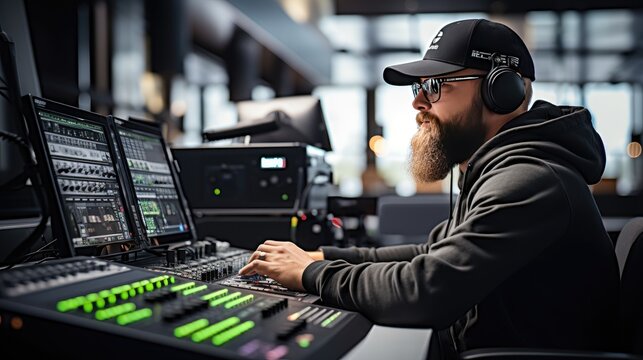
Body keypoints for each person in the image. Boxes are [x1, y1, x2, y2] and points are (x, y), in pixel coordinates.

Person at [239, 19, 619, 358]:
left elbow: (426, 290)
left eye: (435, 85)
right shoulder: (500, 169)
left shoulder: (530, 179)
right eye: (418, 87)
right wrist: (322, 254)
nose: (418, 102)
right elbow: (432, 253)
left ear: (499, 90)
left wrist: (312, 274)